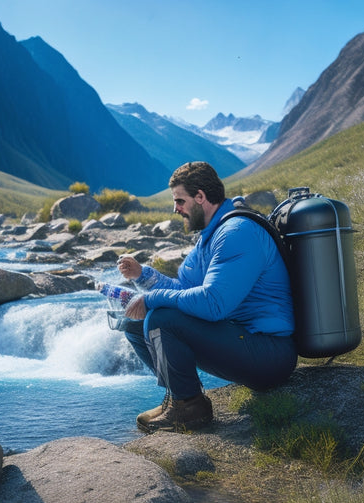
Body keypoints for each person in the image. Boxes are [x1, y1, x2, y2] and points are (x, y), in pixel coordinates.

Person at [117, 161, 297, 433]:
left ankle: (190, 408)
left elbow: (214, 304)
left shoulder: (237, 233)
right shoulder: (210, 236)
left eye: (180, 200)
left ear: (200, 197)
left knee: (161, 318)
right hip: (239, 338)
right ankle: (177, 398)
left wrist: (151, 301)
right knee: (134, 324)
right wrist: (142, 275)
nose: (175, 209)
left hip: (270, 354)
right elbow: (183, 291)